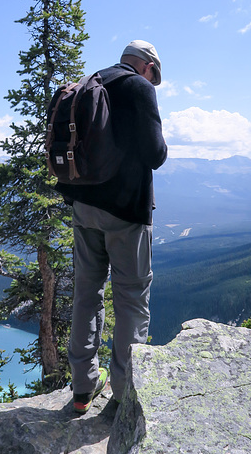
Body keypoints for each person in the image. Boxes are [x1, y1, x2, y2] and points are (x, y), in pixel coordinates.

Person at [67, 39, 167, 413]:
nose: (152, 81)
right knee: (131, 299)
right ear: (146, 66)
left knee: (86, 294)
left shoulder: (91, 82)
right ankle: (124, 394)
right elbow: (155, 154)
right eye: (154, 75)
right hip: (126, 212)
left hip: (83, 207)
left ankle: (82, 388)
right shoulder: (137, 88)